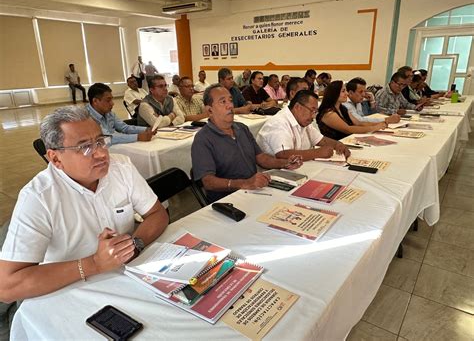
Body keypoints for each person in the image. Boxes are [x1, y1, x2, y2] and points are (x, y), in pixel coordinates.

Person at [0, 106, 169, 303]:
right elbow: (7, 286)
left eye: (100, 141)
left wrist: (134, 245)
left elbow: (157, 213)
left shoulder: (121, 168)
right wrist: (95, 264)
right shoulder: (38, 197)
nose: (101, 154)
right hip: (66, 290)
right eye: (85, 147)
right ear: (55, 158)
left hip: (125, 279)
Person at [191, 84, 303, 203]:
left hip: (253, 191)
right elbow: (208, 182)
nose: (230, 106)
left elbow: (261, 158)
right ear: (209, 110)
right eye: (223, 102)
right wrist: (245, 183)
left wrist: (285, 163)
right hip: (227, 200)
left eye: (230, 100)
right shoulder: (203, 139)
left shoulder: (241, 128)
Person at [257, 90, 350, 161]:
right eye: (312, 111)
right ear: (298, 107)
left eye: (315, 112)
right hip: (274, 175)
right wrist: (317, 153)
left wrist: (337, 144)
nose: (313, 116)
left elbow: (321, 140)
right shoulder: (278, 122)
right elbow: (283, 155)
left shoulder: (303, 121)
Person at [316, 81, 387, 140]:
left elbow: (358, 123)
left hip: (348, 141)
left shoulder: (342, 108)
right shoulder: (329, 113)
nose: (347, 93)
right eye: (343, 91)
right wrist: (374, 127)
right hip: (335, 146)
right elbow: (348, 129)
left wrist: (380, 124)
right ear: (334, 94)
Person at [86, 83, 153, 144]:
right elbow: (107, 138)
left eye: (112, 99)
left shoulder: (109, 113)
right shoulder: (86, 117)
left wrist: (146, 129)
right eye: (108, 100)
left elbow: (124, 128)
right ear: (95, 101)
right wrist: (137, 137)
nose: (112, 103)